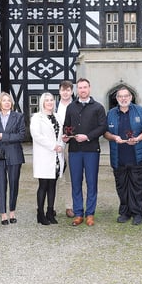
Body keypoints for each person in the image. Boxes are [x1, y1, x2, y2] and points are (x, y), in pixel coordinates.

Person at [105, 86, 142, 225]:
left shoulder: (140, 111)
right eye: (120, 96)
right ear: (117, 98)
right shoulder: (111, 114)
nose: (123, 98)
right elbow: (105, 133)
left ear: (131, 97)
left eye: (126, 96)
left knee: (137, 187)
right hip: (118, 158)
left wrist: (137, 138)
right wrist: (114, 137)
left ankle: (137, 213)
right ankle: (125, 212)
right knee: (122, 187)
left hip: (137, 157)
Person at [63, 78, 107, 227]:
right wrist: (66, 136)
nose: (82, 90)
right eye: (80, 88)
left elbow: (102, 127)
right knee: (76, 183)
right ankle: (78, 214)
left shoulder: (98, 107)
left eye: (85, 87)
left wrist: (87, 136)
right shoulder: (71, 107)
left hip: (91, 150)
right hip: (74, 150)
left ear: (89, 88)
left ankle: (90, 214)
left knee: (91, 183)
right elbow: (66, 126)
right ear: (77, 90)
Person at [0, 92, 26, 225]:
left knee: (14, 184)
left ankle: (12, 211)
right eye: (4, 100)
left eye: (9, 100)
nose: (7, 102)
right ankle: (3, 214)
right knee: (1, 185)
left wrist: (3, 136)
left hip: (15, 155)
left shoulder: (18, 116)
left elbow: (21, 135)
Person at [30, 92, 65, 225]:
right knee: (43, 185)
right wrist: (53, 146)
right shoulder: (37, 117)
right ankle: (40, 213)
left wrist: (61, 145)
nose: (50, 102)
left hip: (56, 156)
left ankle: (50, 212)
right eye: (47, 100)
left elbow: (61, 135)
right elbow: (36, 136)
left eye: (51, 100)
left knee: (53, 185)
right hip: (44, 156)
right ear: (42, 103)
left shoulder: (57, 116)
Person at [55, 80, 75, 218]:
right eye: (63, 90)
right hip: (55, 145)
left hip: (71, 145)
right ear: (59, 91)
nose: (65, 92)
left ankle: (69, 206)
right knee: (53, 177)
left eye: (68, 90)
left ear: (72, 92)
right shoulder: (52, 106)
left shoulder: (76, 106)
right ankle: (52, 206)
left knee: (69, 178)